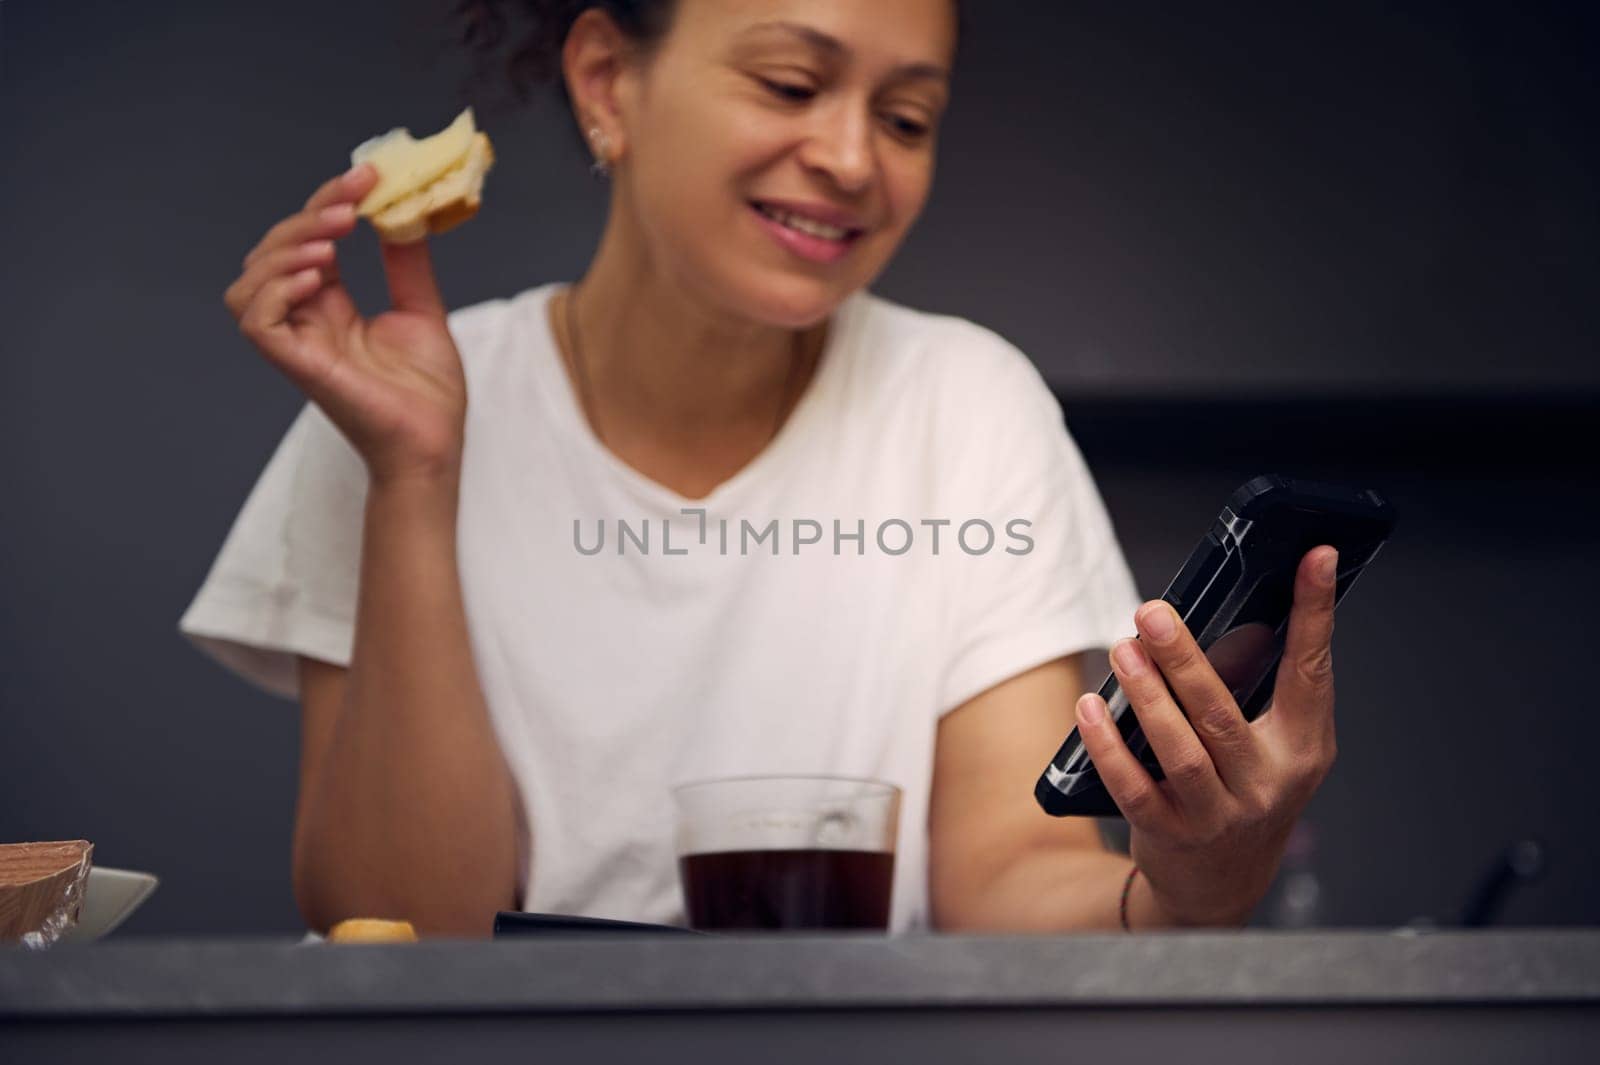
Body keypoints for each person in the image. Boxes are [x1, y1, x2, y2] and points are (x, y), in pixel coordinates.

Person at [186, 0, 1341, 938]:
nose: (848, 159)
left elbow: (1010, 876)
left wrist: (1189, 888)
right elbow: (403, 932)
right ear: (606, 82)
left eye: (904, 117)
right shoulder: (400, 403)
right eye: (791, 85)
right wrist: (414, 479)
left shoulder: (963, 403)